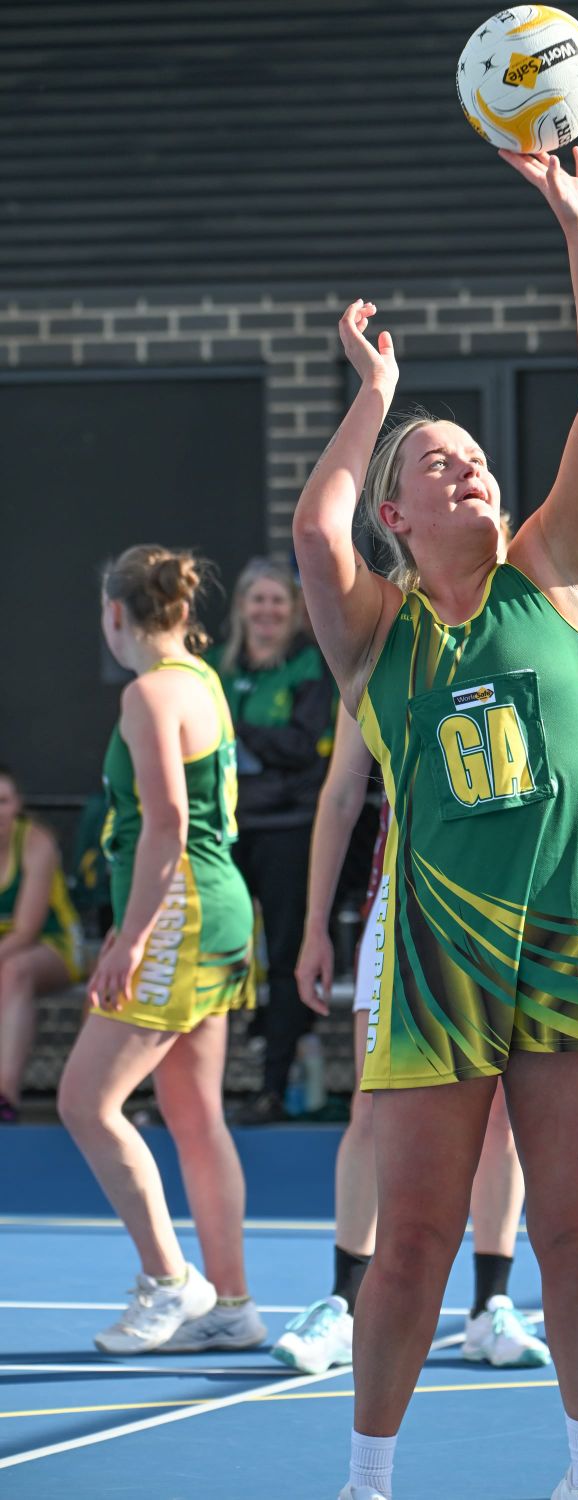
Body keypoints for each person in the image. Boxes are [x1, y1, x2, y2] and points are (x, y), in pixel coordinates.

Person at [293, 145, 578, 1500]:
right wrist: (376, 398)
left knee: (577, 1235)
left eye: (480, 459)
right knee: (416, 1244)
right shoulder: (377, 637)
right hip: (439, 966)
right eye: (440, 466)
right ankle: (368, 1482)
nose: (474, 472)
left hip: (567, 947)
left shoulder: (556, 574)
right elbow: (315, 529)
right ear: (398, 512)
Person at [271, 703, 550, 1375]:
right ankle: (345, 1303)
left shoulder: (520, 648)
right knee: (373, 1104)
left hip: (504, 906)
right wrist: (314, 924)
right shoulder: (376, 658)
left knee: (499, 1116)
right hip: (404, 899)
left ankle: (490, 1305)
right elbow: (342, 795)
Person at [57, 545, 265, 1355]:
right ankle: (232, 1303)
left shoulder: (148, 694)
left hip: (182, 911)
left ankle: (170, 1280)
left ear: (115, 615)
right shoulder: (203, 678)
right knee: (193, 1115)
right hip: (213, 907)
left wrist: (136, 934)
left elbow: (168, 824)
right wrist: (129, 921)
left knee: (85, 1101)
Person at [208, 557, 335, 1122]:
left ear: (294, 609)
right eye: (257, 600)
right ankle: (199, 1093)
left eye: (277, 601)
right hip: (226, 829)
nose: (266, 611)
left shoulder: (311, 666)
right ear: (241, 607)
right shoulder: (216, 667)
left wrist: (239, 732)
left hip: (288, 829)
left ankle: (272, 1089)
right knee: (213, 956)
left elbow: (303, 747)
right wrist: (264, 743)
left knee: (286, 954)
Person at [0, 768, 84, 1122]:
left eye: (3, 801)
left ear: (18, 804)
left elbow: (25, 931)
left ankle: (5, 1095)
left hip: (53, 944)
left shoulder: (36, 843)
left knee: (13, 971)